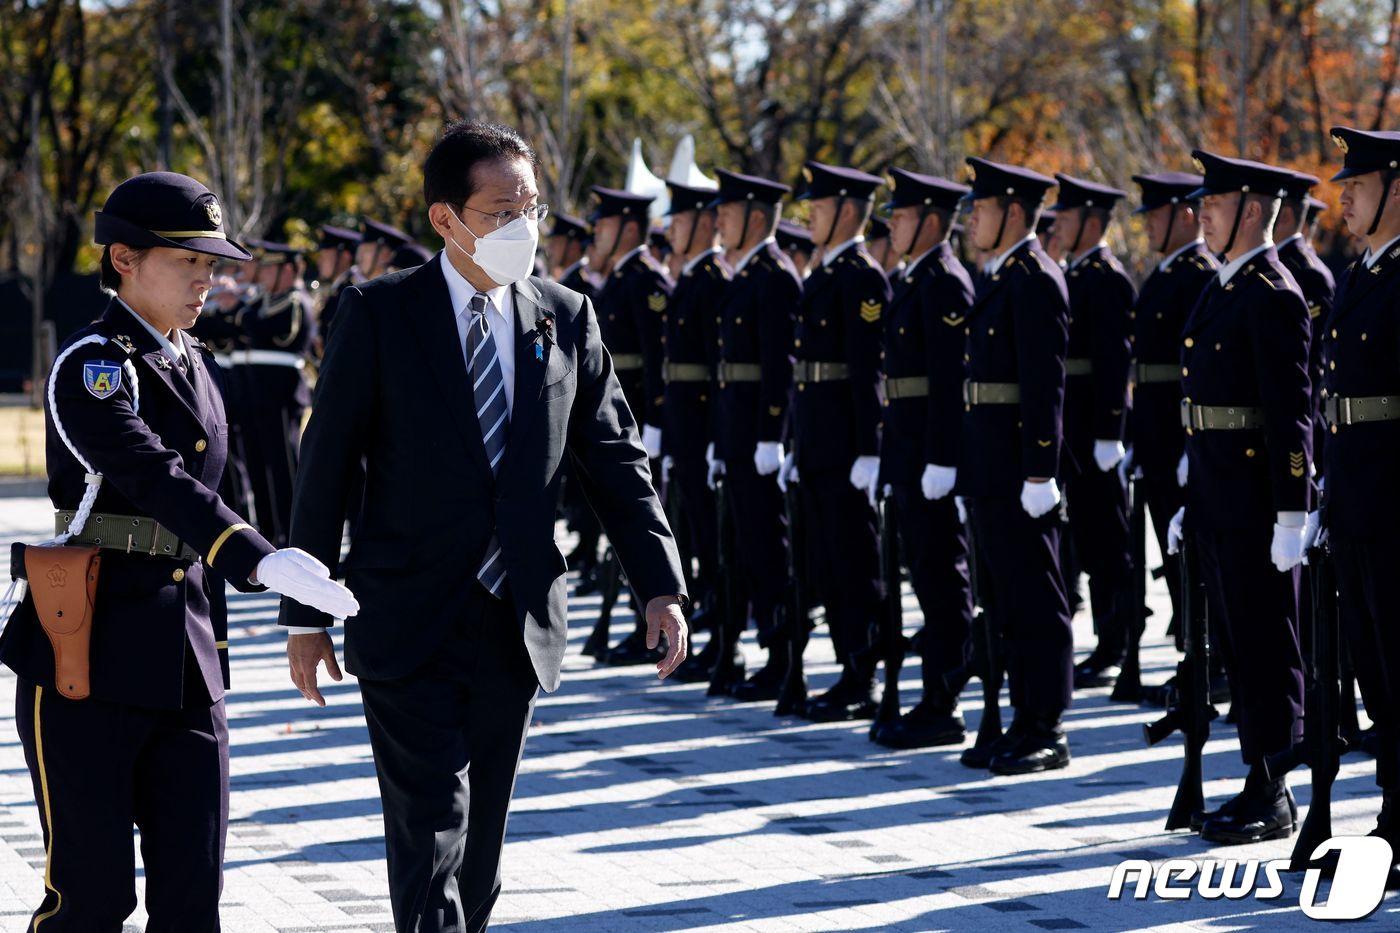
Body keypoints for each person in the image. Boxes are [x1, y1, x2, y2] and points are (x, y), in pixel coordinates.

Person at [281, 122, 689, 932]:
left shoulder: (566, 316)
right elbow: (326, 468)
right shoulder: (379, 313)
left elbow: (614, 459)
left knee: (482, 849)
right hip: (405, 617)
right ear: (446, 218)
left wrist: (661, 583)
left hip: (517, 618)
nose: (523, 228)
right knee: (430, 827)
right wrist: (305, 610)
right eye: (502, 209)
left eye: (531, 207)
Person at [0, 171, 357, 931]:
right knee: (90, 902)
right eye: (187, 261)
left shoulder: (196, 360)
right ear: (124, 258)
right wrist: (258, 556)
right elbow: (151, 474)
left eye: (212, 264)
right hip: (85, 657)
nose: (207, 279)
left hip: (187, 659)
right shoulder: (95, 363)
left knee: (192, 902)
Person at [1166, 150, 1313, 845]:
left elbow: (1292, 413)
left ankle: (1275, 786)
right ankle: (1258, 772)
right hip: (1217, 491)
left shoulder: (1273, 291)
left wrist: (1293, 508)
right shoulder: (1221, 287)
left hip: (1256, 499)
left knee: (1265, 640)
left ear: (1251, 211)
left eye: (1215, 205)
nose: (1203, 215)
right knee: (1234, 638)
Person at [958, 157, 1073, 774]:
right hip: (989, 464)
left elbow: (1042, 385)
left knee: (1035, 597)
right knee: (1002, 599)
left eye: (981, 207)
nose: (972, 218)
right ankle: (1016, 716)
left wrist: (1039, 471)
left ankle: (1045, 723)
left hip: (1018, 470)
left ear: (1011, 211)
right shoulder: (1001, 276)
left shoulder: (1036, 278)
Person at [868, 168, 975, 749]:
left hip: (930, 460)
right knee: (926, 578)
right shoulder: (917, 279)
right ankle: (933, 694)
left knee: (942, 581)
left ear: (931, 221)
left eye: (902, 217)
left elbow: (949, 381)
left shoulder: (946, 283)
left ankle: (945, 699)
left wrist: (943, 459)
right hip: (907, 454)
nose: (894, 227)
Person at [1319, 125, 1400, 886]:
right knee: (1375, 670)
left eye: (1360, 184)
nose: (1344, 196)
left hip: (1394, 502)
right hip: (1355, 497)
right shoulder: (1359, 272)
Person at [795, 161, 891, 721]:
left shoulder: (861, 276)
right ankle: (847, 668)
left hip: (845, 447)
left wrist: (868, 448)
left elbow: (866, 371)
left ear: (849, 211)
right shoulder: (826, 275)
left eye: (822, 205)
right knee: (828, 563)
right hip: (817, 442)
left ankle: (863, 673)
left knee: (856, 564)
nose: (812, 214)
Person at [1123, 171, 1219, 705]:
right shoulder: (1163, 275)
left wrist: (1190, 443)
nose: (1148, 227)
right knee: (1171, 549)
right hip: (1158, 434)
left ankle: (1208, 656)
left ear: (1185, 214)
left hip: (1182, 436)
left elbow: (1196, 369)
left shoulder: (1198, 275)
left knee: (1195, 562)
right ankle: (1192, 651)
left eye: (1155, 216)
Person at [708, 169, 802, 697]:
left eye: (729, 211)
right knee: (746, 546)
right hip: (736, 435)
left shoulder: (774, 275)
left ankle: (783, 653)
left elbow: (778, 363)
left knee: (770, 548)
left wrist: (773, 433)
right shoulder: (743, 275)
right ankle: (768, 649)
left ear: (758, 217)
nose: (719, 219)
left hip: (758, 437)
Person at [1046, 176, 1136, 690]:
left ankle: (1115, 642)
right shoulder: (1070, 275)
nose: (1057, 222)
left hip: (1091, 432)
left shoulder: (1107, 278)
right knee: (1078, 537)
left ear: (1093, 221)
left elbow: (1112, 362)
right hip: (1068, 431)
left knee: (1106, 543)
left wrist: (1109, 431)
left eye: (1067, 214)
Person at [587, 185, 672, 665]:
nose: (597, 233)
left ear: (630, 228)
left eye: (605, 224)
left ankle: (654, 629)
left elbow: (659, 359)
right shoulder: (618, 280)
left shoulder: (646, 280)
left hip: (638, 421)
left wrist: (656, 421)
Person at [657, 180, 728, 682]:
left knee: (717, 545)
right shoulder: (691, 279)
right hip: (687, 431)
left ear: (703, 222)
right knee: (699, 542)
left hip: (706, 432)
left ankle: (727, 643)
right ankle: (711, 641)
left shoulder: (715, 280)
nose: (671, 230)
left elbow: (718, 370)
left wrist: (712, 439)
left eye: (679, 221)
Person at [235, 239, 314, 548]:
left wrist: (251, 323)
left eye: (271, 268)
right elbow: (241, 324)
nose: (263, 274)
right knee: (258, 463)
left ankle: (295, 533)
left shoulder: (295, 302)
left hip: (282, 393)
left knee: (284, 465)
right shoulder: (261, 302)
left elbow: (281, 334)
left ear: (289, 270)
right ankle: (269, 533)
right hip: (256, 391)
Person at [311, 224, 362, 348]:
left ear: (345, 256)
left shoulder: (352, 291)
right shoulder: (337, 290)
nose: (319, 262)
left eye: (325, 256)